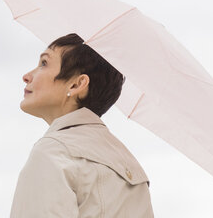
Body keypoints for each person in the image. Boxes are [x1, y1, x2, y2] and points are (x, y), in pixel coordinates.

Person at [10, 33, 154, 217]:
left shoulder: (54, 152)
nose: (27, 76)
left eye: (44, 63)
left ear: (76, 84)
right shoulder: (130, 165)